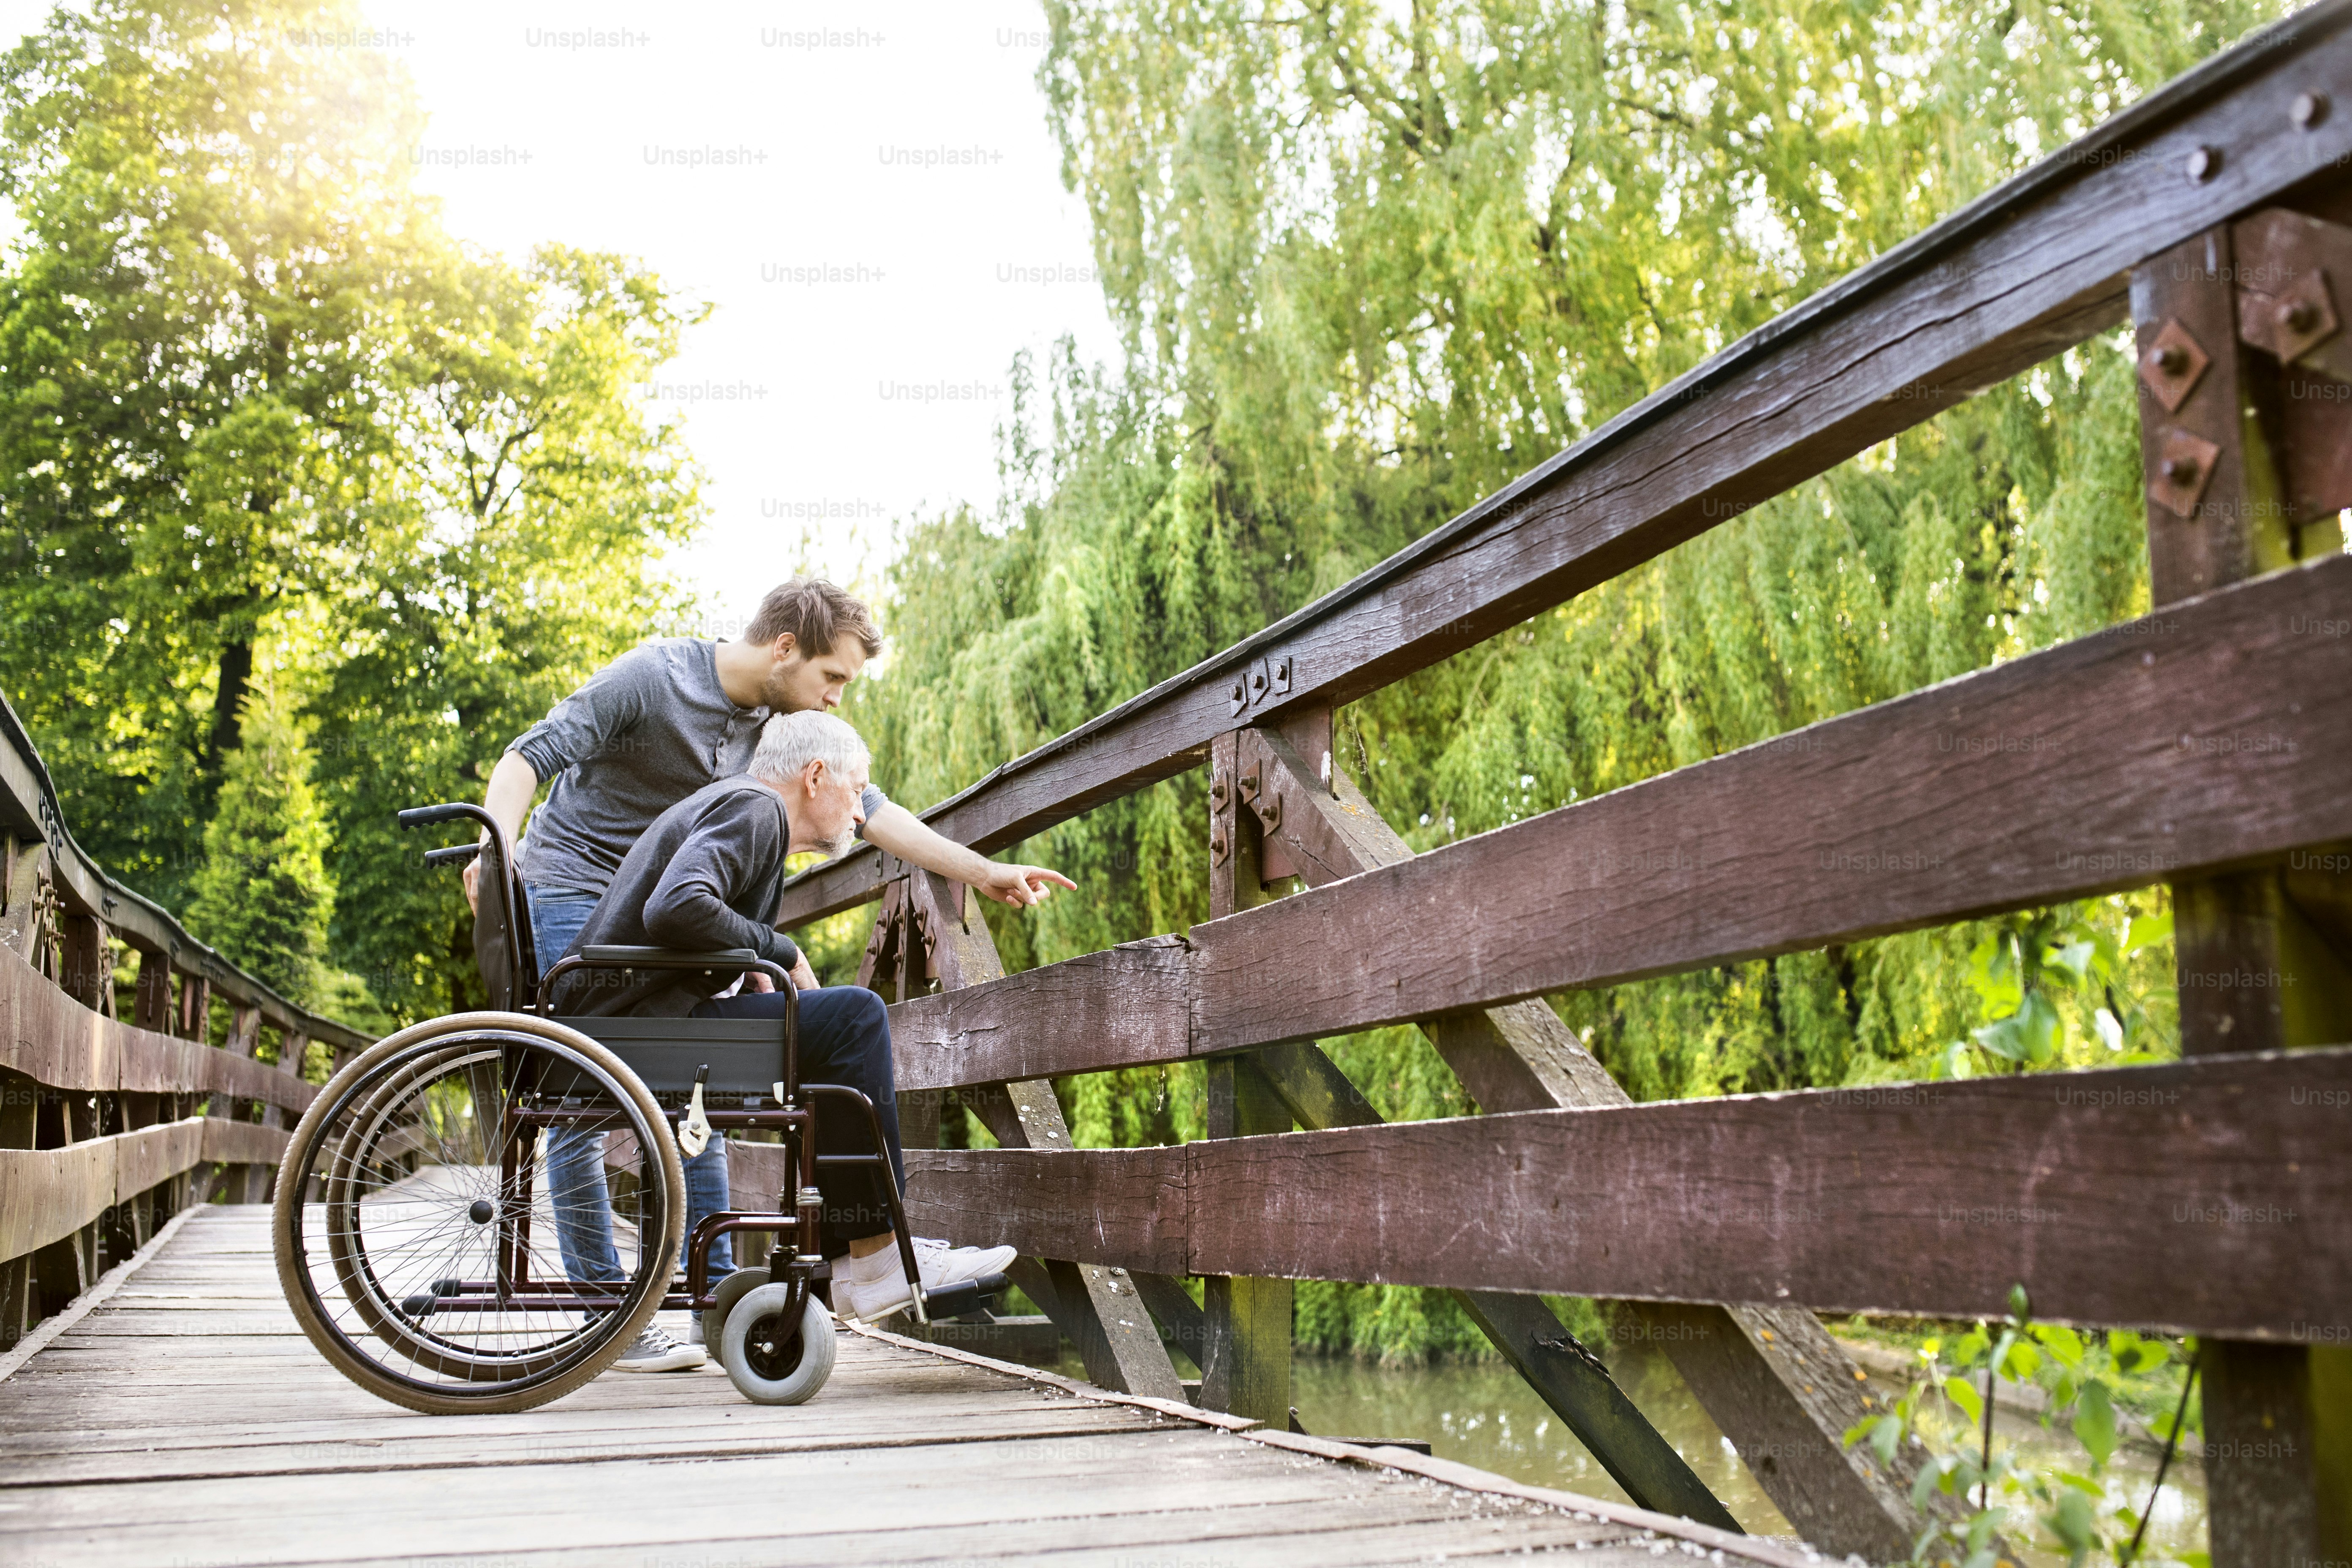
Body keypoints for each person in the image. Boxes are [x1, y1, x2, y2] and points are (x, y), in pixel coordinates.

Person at [478, 578, 1071, 1372]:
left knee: (702, 1099)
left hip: (676, 909)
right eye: (833, 678)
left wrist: (983, 871)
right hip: (578, 888)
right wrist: (494, 850)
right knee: (583, 1103)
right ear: (786, 649)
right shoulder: (656, 680)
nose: (836, 698)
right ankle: (605, 1314)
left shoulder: (781, 735)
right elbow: (532, 753)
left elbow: (868, 810)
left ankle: (715, 1300)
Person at [547, 710, 1016, 1328]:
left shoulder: (742, 806)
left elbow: (687, 918)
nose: (860, 813)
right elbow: (677, 905)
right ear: (815, 777)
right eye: (856, 790)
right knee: (854, 1018)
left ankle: (850, 1260)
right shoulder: (757, 809)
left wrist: (748, 967)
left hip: (629, 1026)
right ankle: (874, 1257)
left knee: (830, 1032)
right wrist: (780, 951)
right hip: (632, 1037)